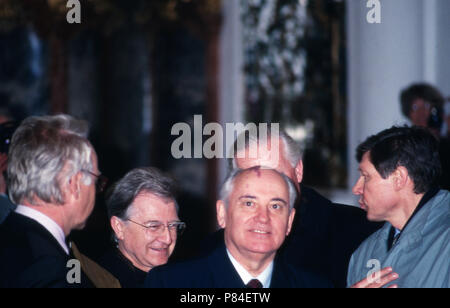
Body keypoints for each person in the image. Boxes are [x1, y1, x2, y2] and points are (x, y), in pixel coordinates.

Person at [202, 128, 382, 288]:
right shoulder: (212, 251)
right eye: (250, 175)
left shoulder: (360, 233)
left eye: (276, 173)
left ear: (298, 171)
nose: (265, 185)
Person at [145, 167, 332, 288]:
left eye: (275, 206)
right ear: (222, 214)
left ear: (289, 222)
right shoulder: (170, 283)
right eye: (249, 204)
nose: (263, 218)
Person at [0, 114, 119, 288]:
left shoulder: (9, 237)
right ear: (74, 184)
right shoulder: (49, 271)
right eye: (96, 181)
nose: (96, 191)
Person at [347, 126, 450, 288]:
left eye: (366, 177)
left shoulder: (445, 243)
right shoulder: (364, 253)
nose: (356, 189)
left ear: (399, 178)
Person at [99, 167, 185, 288]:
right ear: (119, 227)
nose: (167, 239)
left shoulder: (183, 278)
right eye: (154, 226)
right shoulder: (98, 280)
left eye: (173, 226)